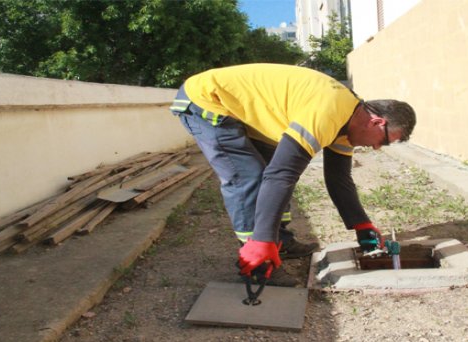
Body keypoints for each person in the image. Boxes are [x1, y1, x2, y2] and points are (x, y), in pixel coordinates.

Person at [170, 63, 415, 285]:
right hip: (207, 101)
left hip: (243, 110)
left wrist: (361, 223)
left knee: (271, 176)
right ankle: (256, 261)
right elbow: (281, 174)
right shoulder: (329, 112)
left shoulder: (349, 120)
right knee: (249, 178)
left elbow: (338, 179)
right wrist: (262, 238)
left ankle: (281, 242)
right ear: (376, 123)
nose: (376, 147)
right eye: (383, 141)